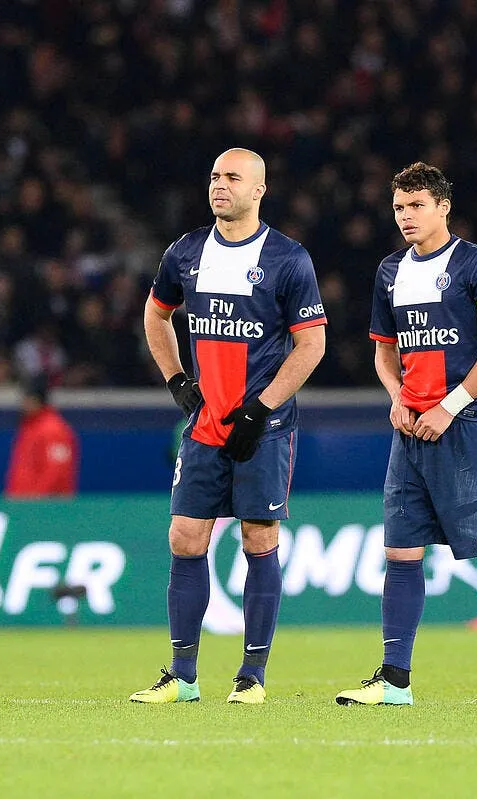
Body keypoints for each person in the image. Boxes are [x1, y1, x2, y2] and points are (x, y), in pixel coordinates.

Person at [130, 148, 326, 705]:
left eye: (233, 177)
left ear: (259, 189)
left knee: (258, 538)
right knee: (185, 537)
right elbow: (155, 314)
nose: (220, 185)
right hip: (205, 426)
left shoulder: (288, 259)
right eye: (215, 176)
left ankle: (252, 676)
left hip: (264, 427)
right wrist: (176, 381)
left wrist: (261, 408)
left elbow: (311, 345)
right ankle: (183, 676)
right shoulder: (185, 252)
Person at [336, 162, 477, 706]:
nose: (406, 216)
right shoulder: (389, 271)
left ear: (443, 207)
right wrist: (397, 397)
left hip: (467, 427)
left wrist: (450, 406)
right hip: (411, 432)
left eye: (417, 205)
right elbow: (383, 350)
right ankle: (394, 680)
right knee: (400, 553)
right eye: (399, 207)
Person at [3, 375, 80, 498]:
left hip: (46, 506)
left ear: (37, 401)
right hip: (23, 502)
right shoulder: (29, 427)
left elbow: (58, 468)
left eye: (27, 400)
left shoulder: (54, 429)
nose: (23, 404)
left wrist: (38, 499)